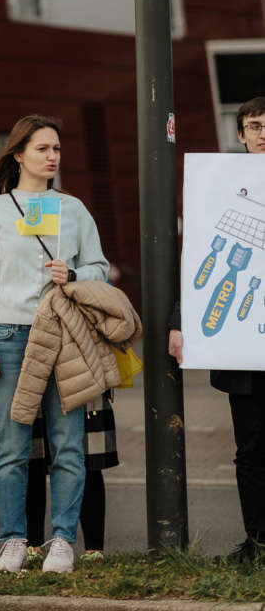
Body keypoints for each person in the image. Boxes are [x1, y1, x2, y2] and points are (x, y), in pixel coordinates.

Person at [0, 113, 109, 574]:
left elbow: (101, 270)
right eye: (43, 148)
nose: (52, 157)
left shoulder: (73, 208)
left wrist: (76, 273)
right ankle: (13, 541)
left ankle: (62, 540)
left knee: (68, 445)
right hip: (9, 336)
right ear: (18, 153)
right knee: (12, 445)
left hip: (63, 335)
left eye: (57, 149)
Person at [169, 96, 265, 564]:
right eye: (254, 126)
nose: (261, 133)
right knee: (249, 450)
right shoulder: (218, 186)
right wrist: (178, 322)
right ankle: (258, 541)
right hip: (241, 347)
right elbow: (196, 259)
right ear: (241, 134)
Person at [0, 390, 118, 562]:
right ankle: (33, 547)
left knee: (84, 459)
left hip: (75, 375)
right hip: (24, 377)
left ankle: (93, 550)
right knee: (30, 458)